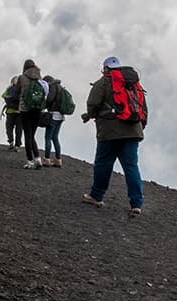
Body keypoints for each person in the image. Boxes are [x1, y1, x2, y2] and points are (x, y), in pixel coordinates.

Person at [81, 56, 148, 215]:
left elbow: (93, 103)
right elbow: (143, 110)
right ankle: (136, 204)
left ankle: (96, 196)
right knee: (131, 167)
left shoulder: (103, 82)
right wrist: (139, 128)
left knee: (103, 164)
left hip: (109, 132)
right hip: (133, 131)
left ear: (105, 68)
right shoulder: (134, 85)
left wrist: (90, 115)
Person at [18, 59, 47, 169]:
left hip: (25, 110)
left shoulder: (22, 78)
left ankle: (30, 161)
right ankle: (38, 158)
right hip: (37, 110)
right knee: (32, 135)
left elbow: (16, 93)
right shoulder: (40, 78)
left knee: (27, 135)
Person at [42, 75, 65, 167]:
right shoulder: (60, 87)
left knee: (48, 138)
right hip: (61, 116)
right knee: (55, 137)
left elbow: (50, 99)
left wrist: (44, 105)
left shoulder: (52, 86)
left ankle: (47, 159)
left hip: (53, 115)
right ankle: (58, 160)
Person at [1, 76, 23, 152]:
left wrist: (9, 98)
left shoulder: (9, 89)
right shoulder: (22, 89)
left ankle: (11, 142)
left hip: (10, 111)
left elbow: (3, 95)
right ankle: (17, 145)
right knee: (19, 129)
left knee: (9, 128)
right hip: (20, 112)